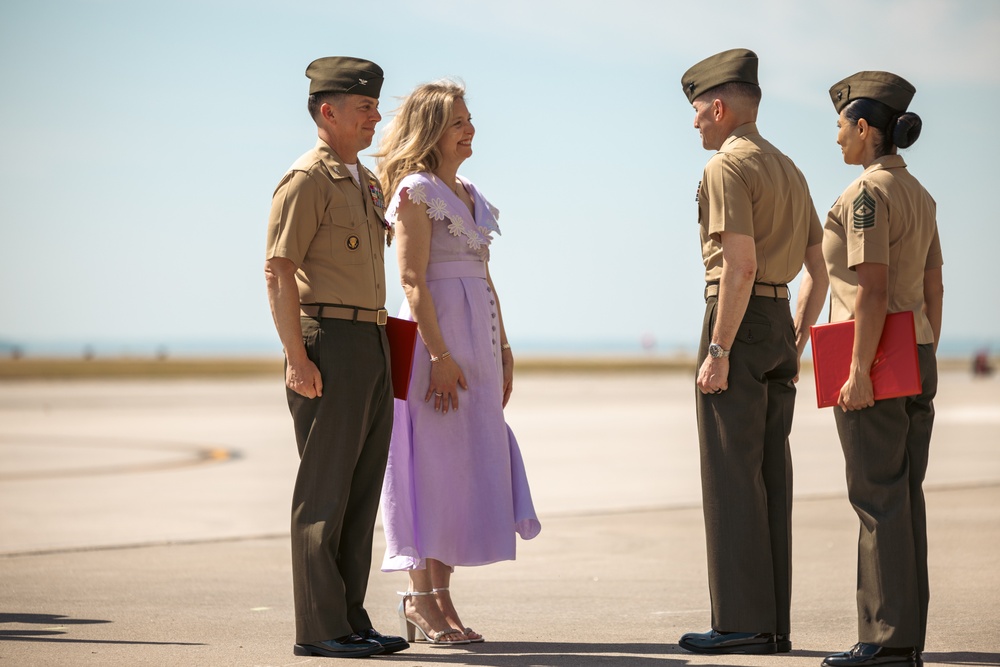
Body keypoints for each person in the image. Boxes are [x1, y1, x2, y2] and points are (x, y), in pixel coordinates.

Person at [374, 80, 541, 646]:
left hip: (477, 344)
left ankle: (441, 597)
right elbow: (413, 280)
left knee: (463, 470)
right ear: (432, 131)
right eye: (458, 122)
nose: (470, 129)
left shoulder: (468, 190)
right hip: (431, 345)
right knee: (430, 467)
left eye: (469, 119)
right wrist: (440, 356)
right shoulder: (415, 191)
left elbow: (485, 277)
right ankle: (420, 600)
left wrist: (504, 346)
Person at [676, 48, 829, 655]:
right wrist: (793, 332)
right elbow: (819, 267)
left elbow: (738, 267)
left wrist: (719, 347)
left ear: (719, 107)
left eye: (696, 111)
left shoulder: (726, 167)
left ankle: (740, 622)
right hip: (776, 317)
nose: (694, 124)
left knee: (731, 477)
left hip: (735, 317)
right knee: (770, 476)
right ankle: (772, 626)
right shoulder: (789, 168)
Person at [264, 56, 409, 659]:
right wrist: (297, 359)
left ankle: (351, 620)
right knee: (324, 493)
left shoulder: (365, 182)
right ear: (328, 112)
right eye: (364, 107)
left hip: (372, 342)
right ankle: (320, 630)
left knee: (360, 490)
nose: (376, 115)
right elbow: (278, 270)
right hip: (327, 340)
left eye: (376, 105)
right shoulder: (307, 180)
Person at [820, 71, 943, 667]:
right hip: (915, 351)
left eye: (841, 125)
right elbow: (933, 285)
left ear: (864, 128)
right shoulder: (919, 193)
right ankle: (907, 639)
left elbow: (872, 288)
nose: (837, 137)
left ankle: (885, 640)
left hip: (876, 357)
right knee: (904, 497)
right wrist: (924, 345)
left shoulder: (865, 195)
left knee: (876, 499)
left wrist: (861, 369)